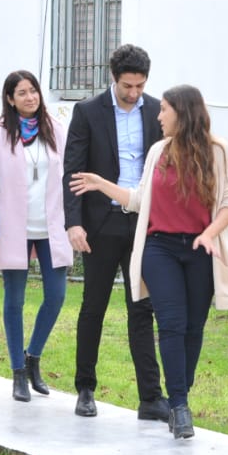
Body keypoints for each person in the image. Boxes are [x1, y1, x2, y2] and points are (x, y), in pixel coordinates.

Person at [70, 84, 228, 439]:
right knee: (171, 324)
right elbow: (138, 199)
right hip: (158, 248)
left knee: (194, 328)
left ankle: (181, 391)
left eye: (164, 110)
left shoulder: (218, 151)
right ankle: (179, 406)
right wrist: (102, 183)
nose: (158, 116)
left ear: (182, 112)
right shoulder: (157, 152)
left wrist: (209, 234)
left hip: (200, 249)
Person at [62, 44, 168, 420]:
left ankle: (151, 398)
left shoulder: (157, 111)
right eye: (127, 85)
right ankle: (85, 388)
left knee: (143, 308)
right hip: (100, 224)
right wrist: (73, 223)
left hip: (142, 223)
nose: (134, 93)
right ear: (113, 77)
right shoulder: (88, 112)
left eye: (140, 85)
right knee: (94, 307)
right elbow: (73, 172)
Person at [0, 70, 71, 402]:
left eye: (33, 91)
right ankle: (18, 372)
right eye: (21, 93)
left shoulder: (56, 130)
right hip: (14, 228)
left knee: (57, 295)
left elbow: (67, 177)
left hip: (51, 226)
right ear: (10, 99)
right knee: (15, 301)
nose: (30, 97)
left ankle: (34, 356)